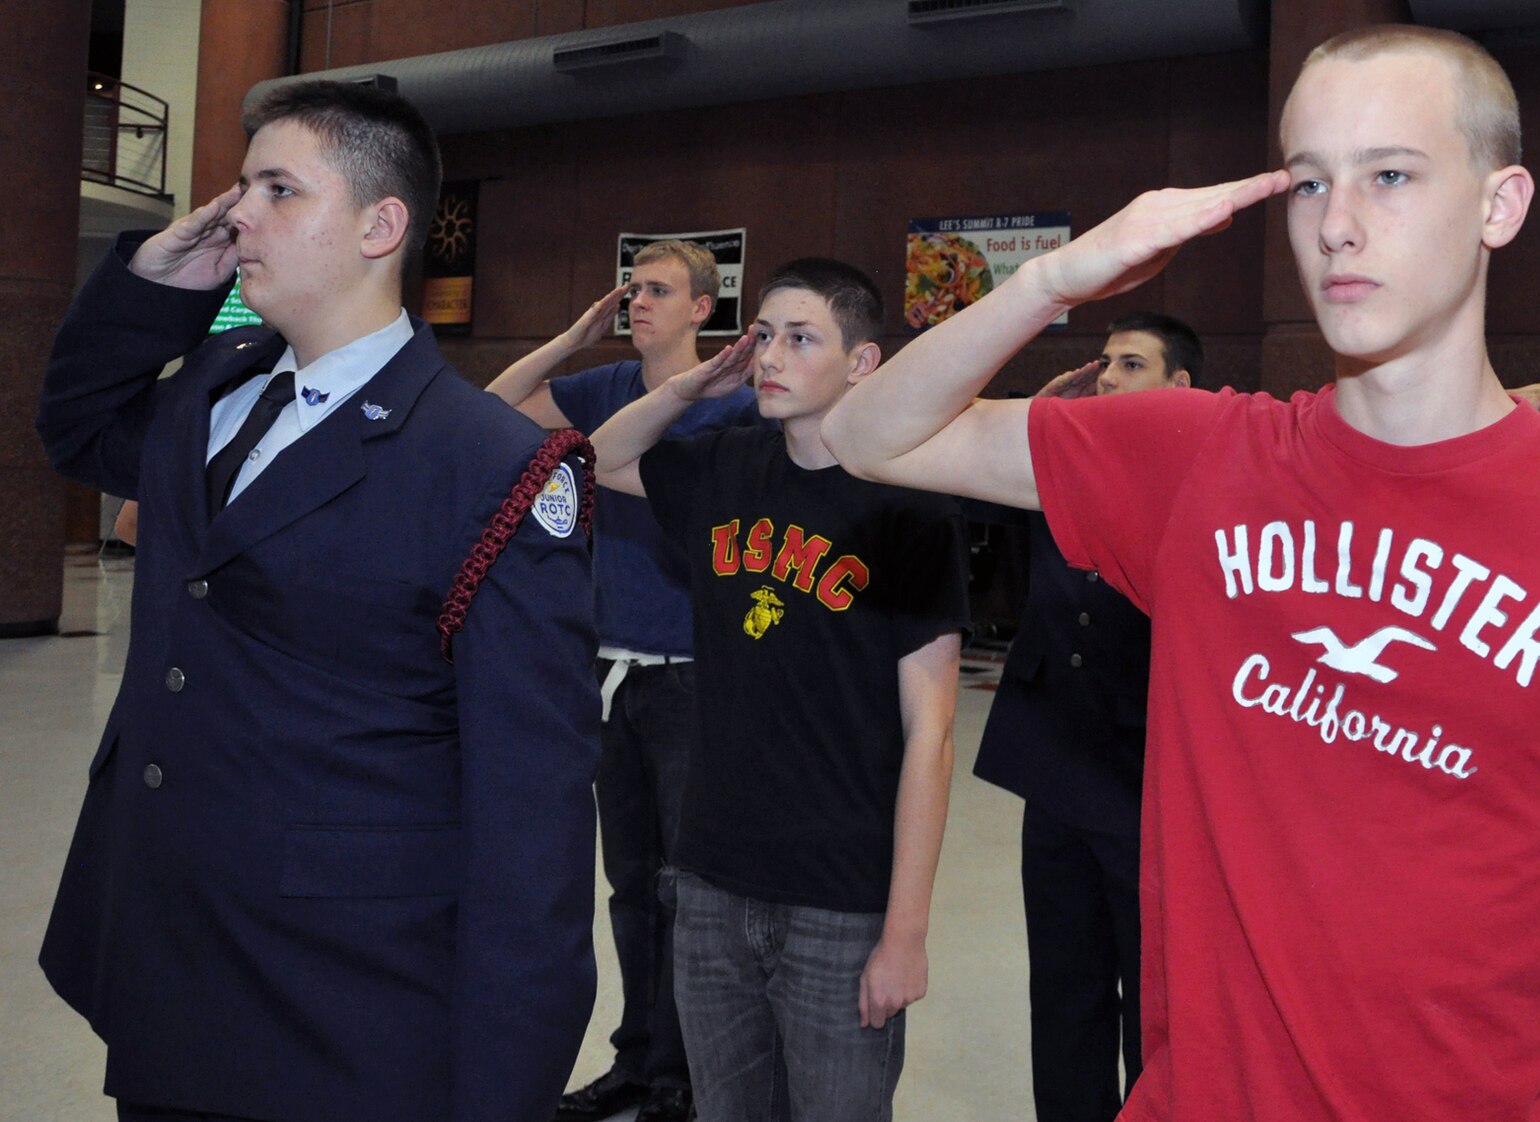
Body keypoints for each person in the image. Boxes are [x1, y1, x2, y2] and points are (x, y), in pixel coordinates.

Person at [823, 24, 1540, 1122]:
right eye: (1307, 182)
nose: (1336, 225)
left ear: (1498, 206)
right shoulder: (1197, 459)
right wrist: (1051, 280)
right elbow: (868, 435)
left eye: (1391, 175)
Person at [35, 80, 600, 1122]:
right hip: (169, 963)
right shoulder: (214, 388)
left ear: (381, 225)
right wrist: (156, 283)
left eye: (279, 189)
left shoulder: (489, 466)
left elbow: (533, 822)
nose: (237, 212)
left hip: (343, 1007)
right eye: (244, 186)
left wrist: (502, 1089)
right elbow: (72, 426)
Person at [589, 258, 969, 1121]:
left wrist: (905, 930)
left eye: (800, 339)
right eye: (762, 336)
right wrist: (690, 386)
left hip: (841, 896)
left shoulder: (908, 501)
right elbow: (598, 455)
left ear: (863, 363)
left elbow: (932, 733)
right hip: (714, 879)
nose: (769, 357)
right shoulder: (724, 466)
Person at [487, 241, 760, 1122]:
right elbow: (497, 405)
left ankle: (684, 1078)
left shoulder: (740, 405)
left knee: (690, 891)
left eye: (658, 290)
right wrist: (572, 337)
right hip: (609, 675)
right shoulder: (604, 390)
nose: (638, 301)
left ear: (701, 310)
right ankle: (637, 1061)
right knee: (631, 886)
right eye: (631, 288)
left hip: (693, 680)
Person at [974, 313, 1201, 1122]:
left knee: (1155, 998)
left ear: (1181, 389)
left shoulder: (1210, 481)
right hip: (1055, 764)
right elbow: (957, 479)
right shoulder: (1052, 467)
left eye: (1130, 365)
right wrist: (1034, 407)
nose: (1105, 378)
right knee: (1064, 990)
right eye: (1103, 362)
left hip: (1152, 782)